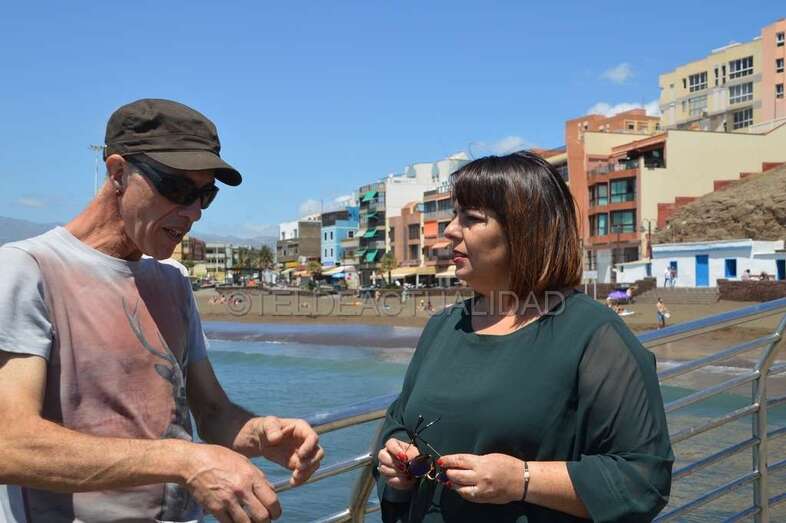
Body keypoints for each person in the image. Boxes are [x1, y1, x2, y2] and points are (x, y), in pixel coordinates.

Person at [0, 99, 324, 522]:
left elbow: (211, 412)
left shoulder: (173, 280)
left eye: (205, 195)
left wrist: (260, 433)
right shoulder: (28, 269)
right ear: (118, 173)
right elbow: (10, 443)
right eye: (178, 189)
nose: (193, 212)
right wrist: (185, 461)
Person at [374, 152, 673, 522]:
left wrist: (521, 480)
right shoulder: (444, 325)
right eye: (454, 215)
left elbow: (643, 479)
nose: (450, 230)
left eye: (470, 218)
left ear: (524, 230)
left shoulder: (594, 334)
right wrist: (397, 460)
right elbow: (400, 419)